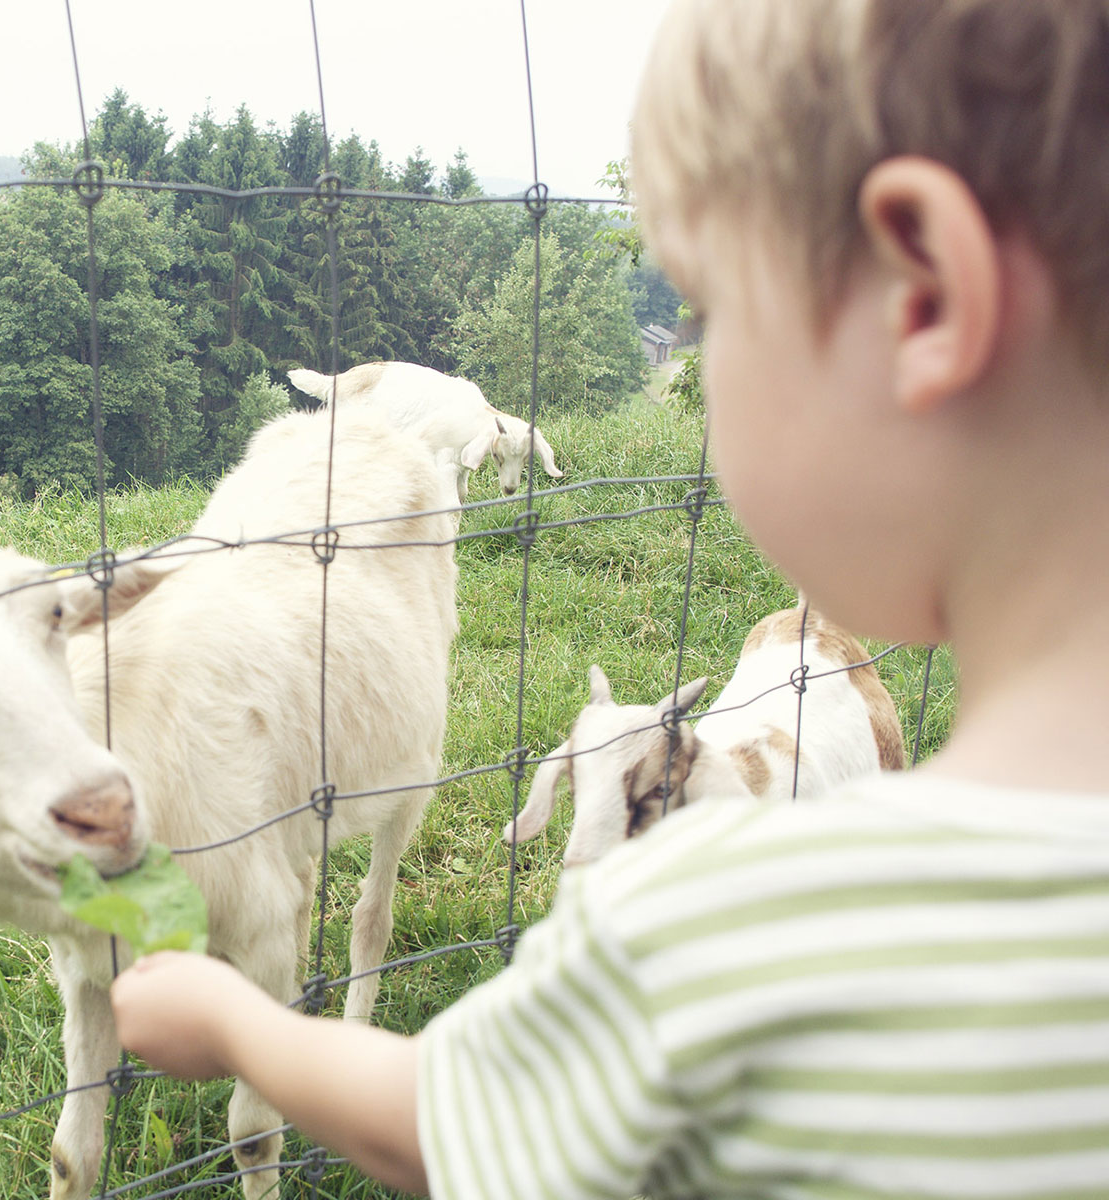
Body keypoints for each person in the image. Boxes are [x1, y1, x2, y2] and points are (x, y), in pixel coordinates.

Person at [109, 0, 1109, 1194]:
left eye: (705, 311)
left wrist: (238, 1027)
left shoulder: (736, 916)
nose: (696, 354)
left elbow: (458, 1122)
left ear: (923, 300)